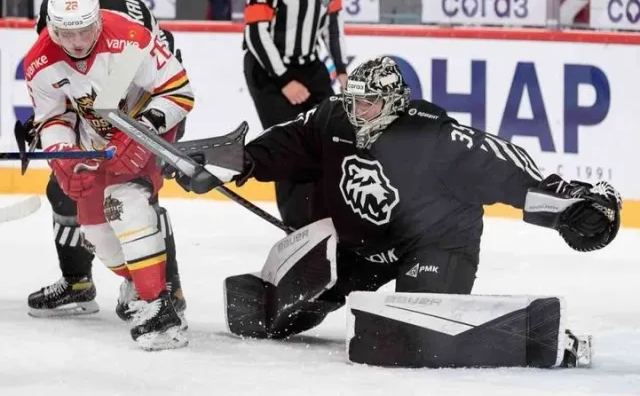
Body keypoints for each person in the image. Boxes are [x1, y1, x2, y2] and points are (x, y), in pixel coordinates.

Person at [168, 56, 621, 366]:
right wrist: (233, 163)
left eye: (369, 102)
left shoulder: (438, 140)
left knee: (409, 338)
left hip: (436, 243)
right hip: (360, 246)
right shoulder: (332, 118)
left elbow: (512, 171)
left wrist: (572, 206)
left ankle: (543, 342)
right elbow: (285, 143)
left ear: (394, 103)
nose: (358, 111)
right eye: (354, 100)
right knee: (267, 317)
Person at [23, 0, 194, 350]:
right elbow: (53, 116)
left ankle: (160, 305)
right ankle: (139, 282)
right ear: (51, 26)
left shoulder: (127, 36)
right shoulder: (40, 61)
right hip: (98, 133)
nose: (79, 41)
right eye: (68, 33)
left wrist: (141, 133)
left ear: (98, 16)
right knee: (95, 228)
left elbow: (179, 90)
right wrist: (64, 157)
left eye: (85, 29)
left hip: (150, 122)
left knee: (126, 201)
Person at [243, 0, 349, 230]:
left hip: (310, 66)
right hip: (268, 70)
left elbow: (332, 27)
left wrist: (343, 70)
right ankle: (298, 228)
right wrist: (284, 80)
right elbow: (255, 33)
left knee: (333, 139)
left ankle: (327, 223)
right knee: (289, 148)